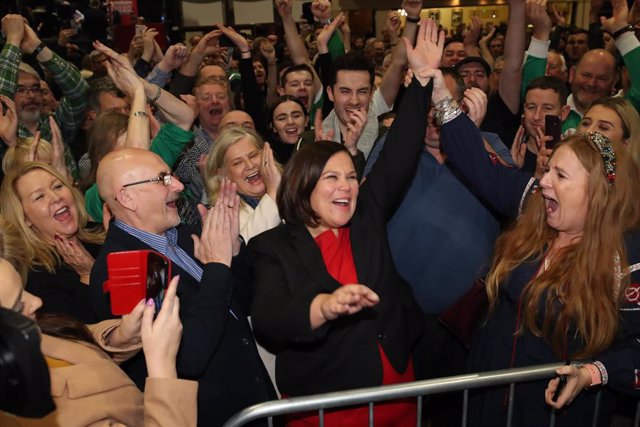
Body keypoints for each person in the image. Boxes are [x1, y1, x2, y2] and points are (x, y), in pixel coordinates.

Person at [249, 18, 440, 426]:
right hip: (328, 405)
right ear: (303, 186)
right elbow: (268, 318)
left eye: (351, 177)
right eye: (332, 177)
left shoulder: (366, 217)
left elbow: (401, 153)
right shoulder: (272, 247)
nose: (348, 186)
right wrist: (322, 307)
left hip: (397, 390)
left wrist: (422, 78)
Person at [428, 67, 640, 425]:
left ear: (597, 194)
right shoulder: (538, 209)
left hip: (554, 410)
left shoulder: (627, 257)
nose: (543, 183)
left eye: (560, 176)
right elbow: (482, 168)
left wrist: (594, 373)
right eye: (547, 171)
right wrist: (438, 95)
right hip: (490, 393)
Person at [91, 148, 276, 425]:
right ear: (127, 197)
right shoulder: (123, 269)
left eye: (172, 176)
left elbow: (241, 304)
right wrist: (216, 268)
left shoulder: (182, 235)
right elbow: (187, 356)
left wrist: (233, 252)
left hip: (253, 399)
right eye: (162, 179)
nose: (178, 185)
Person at [0, 218, 197, 426]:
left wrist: (120, 336)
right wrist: (162, 366)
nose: (36, 301)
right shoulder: (38, 415)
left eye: (24, 290)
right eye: (18, 306)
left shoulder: (29, 335)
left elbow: (77, 341)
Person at [0, 162, 104, 324]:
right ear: (24, 218)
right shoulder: (36, 279)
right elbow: (77, 335)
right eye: (39, 196)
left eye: (57, 186)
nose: (56, 197)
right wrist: (88, 274)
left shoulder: (101, 231)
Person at [203, 127, 282, 241]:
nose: (250, 165)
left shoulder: (292, 189)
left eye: (253, 155)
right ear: (222, 175)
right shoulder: (222, 218)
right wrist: (273, 192)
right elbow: (250, 246)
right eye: (237, 163)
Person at [267, 95, 312, 164]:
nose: (290, 122)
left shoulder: (318, 148)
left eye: (296, 116)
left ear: (306, 121)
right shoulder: (269, 160)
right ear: (273, 127)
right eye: (282, 118)